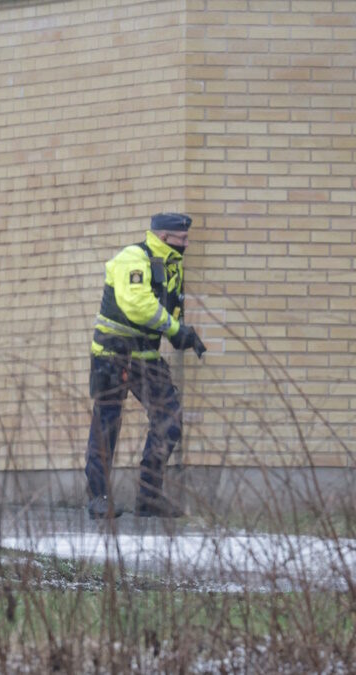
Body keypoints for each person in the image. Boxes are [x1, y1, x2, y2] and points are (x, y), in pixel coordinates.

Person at [85, 212, 207, 520]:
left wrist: (184, 334)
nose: (187, 243)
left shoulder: (171, 268)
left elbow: (168, 310)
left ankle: (149, 496)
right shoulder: (133, 257)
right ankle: (98, 498)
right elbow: (137, 305)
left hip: (146, 357)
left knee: (169, 418)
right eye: (182, 239)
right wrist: (174, 329)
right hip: (113, 354)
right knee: (107, 424)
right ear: (164, 237)